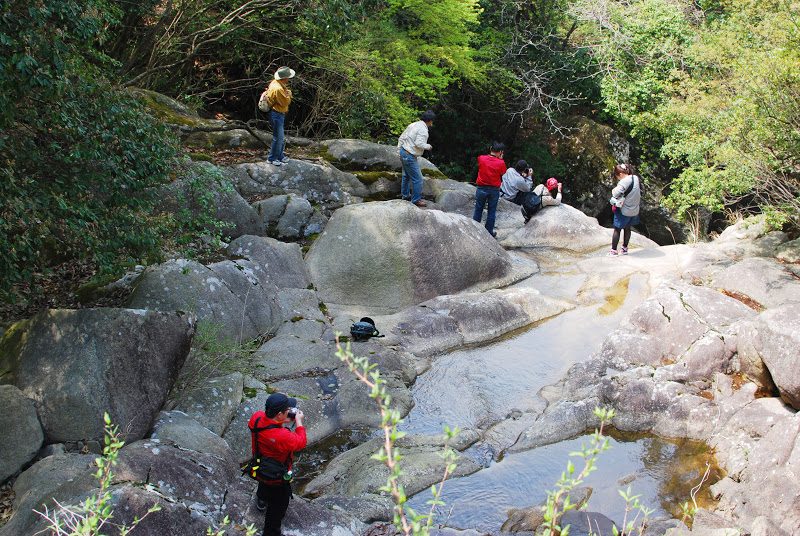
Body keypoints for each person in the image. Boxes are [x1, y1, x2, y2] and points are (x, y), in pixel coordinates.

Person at [248, 392, 307, 536]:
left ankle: (261, 500)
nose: (290, 411)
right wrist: (298, 421)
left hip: (260, 464)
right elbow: (301, 442)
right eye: (287, 410)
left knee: (263, 484)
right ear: (280, 414)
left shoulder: (256, 417)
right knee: (279, 504)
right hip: (277, 474)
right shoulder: (282, 436)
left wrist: (281, 420)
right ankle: (271, 532)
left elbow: (269, 424)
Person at [397, 110, 435, 207]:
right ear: (430, 121)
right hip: (409, 155)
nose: (432, 123)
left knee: (406, 175)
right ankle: (416, 200)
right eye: (432, 121)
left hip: (403, 151)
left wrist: (399, 150)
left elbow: (401, 137)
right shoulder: (423, 130)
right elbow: (419, 143)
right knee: (418, 179)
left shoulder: (413, 124)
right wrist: (428, 146)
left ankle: (405, 196)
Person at [473, 141, 507, 237]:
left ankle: (474, 230)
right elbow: (503, 173)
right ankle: (489, 233)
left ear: (490, 149)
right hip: (494, 190)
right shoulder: (501, 163)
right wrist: (500, 159)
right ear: (500, 152)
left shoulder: (481, 158)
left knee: (478, 209)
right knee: (491, 211)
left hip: (481, 188)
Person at [608, 163, 641, 256]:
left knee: (617, 229)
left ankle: (614, 251)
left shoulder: (624, 181)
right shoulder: (635, 178)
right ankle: (625, 249)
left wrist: (614, 190)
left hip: (624, 210)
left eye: (617, 176)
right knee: (627, 228)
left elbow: (615, 193)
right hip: (634, 210)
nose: (618, 178)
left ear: (621, 174)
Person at [265, 66, 295, 166]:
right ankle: (272, 158)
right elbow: (285, 102)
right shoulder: (278, 88)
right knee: (278, 137)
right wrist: (289, 95)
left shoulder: (275, 83)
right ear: (284, 78)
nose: (289, 79)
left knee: (280, 137)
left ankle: (280, 156)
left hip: (277, 114)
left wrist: (287, 93)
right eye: (288, 77)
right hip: (277, 114)